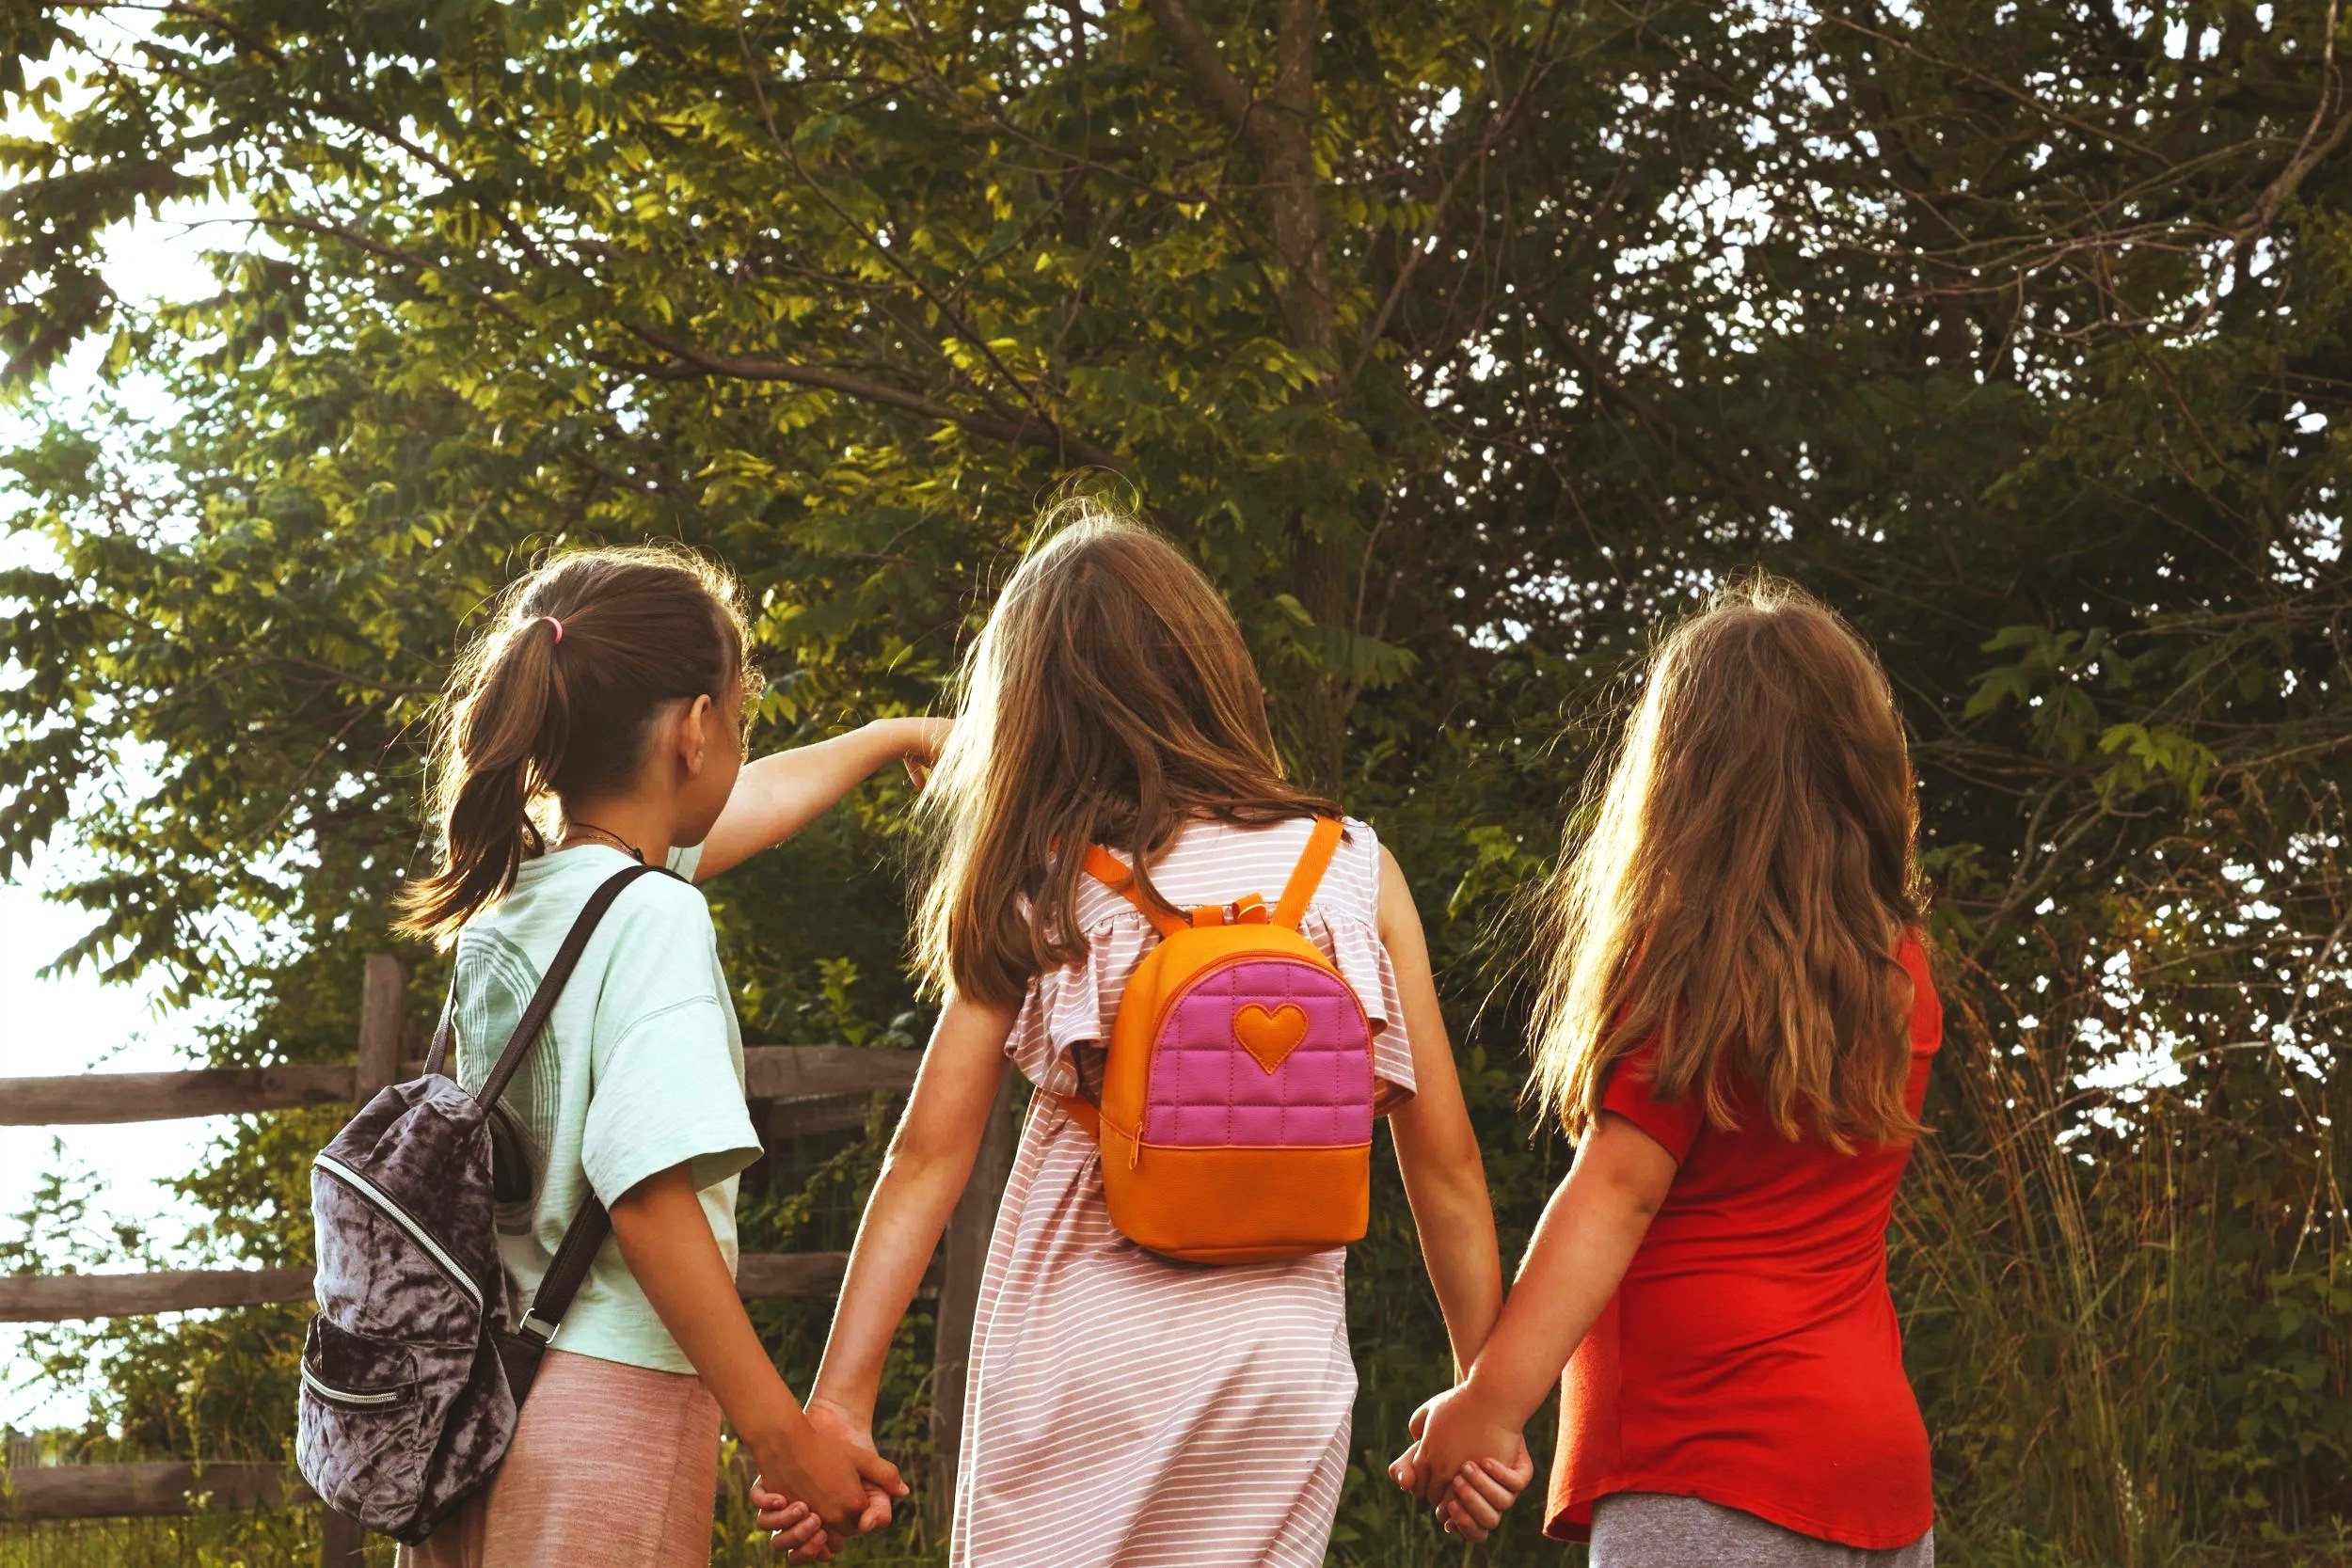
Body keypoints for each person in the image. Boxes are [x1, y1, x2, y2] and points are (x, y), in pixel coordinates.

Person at [754, 506, 1519, 1565]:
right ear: (1211, 668)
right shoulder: (1350, 865)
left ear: (1032, 705)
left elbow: (926, 1156)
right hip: (1276, 1367)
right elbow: (1445, 1164)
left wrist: (839, 1398)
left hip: (1080, 1362)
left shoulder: (1044, 877)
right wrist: (1487, 1391)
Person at [393, 544, 935, 1567]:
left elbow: (728, 812)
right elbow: (644, 1196)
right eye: (738, 711)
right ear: (696, 729)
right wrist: (785, 1440)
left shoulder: (516, 904)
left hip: (475, 1409)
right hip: (606, 1413)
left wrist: (882, 739)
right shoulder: (653, 917)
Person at [1394, 575, 1944, 1566]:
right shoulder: (1899, 969)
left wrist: (1489, 1403)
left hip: (1711, 1465)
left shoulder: (1689, 967)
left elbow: (1615, 1191)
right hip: (1878, 1475)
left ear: (1681, 775)